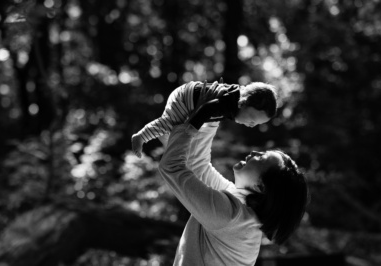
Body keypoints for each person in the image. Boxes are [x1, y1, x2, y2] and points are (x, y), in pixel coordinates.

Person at [157, 87, 309, 266]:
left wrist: (195, 122)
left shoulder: (231, 217)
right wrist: (212, 115)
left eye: (261, 158)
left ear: (262, 186)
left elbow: (171, 167)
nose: (253, 152)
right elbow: (197, 165)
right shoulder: (239, 208)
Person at [132, 79, 277, 157]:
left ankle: (158, 137)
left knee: (172, 133)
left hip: (189, 97)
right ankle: (141, 137)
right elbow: (208, 108)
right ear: (242, 103)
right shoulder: (228, 102)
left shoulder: (236, 101)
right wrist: (191, 130)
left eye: (255, 124)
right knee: (170, 123)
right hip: (184, 98)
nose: (251, 125)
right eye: (252, 119)